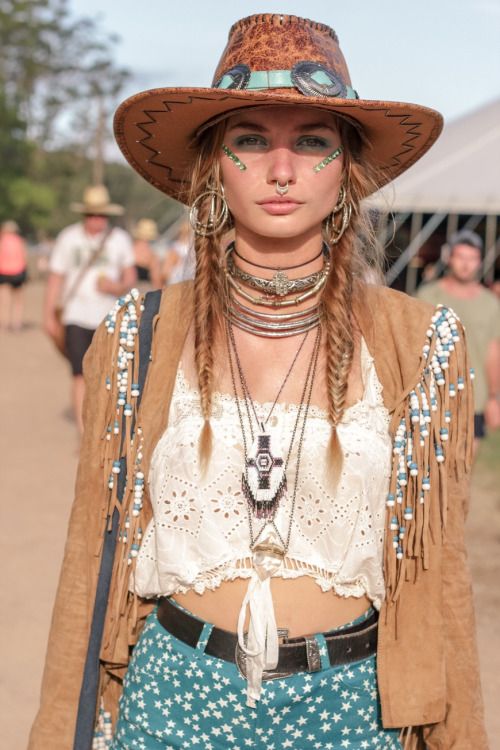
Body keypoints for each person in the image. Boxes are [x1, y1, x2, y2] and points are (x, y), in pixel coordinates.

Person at [30, 14, 487, 750]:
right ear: (214, 164)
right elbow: (89, 563)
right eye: (250, 139)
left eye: (312, 142)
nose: (282, 169)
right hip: (170, 705)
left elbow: (441, 581)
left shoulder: (419, 342)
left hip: (351, 711)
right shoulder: (137, 334)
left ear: (346, 170)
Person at [43, 185, 136, 434]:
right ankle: (85, 435)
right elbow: (55, 278)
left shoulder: (120, 240)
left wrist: (115, 286)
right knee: (79, 375)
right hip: (75, 315)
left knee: (109, 375)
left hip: (110, 316)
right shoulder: (68, 237)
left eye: (102, 215)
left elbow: (130, 278)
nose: (98, 220)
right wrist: (49, 315)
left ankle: (106, 428)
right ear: (85, 215)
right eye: (93, 215)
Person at [417, 229, 500, 444]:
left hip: (475, 400)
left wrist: (493, 398)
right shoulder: (427, 296)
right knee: (430, 472)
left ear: (479, 262)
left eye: (472, 258)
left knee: (464, 472)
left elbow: (493, 352)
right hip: (432, 399)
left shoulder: (491, 304)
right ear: (450, 258)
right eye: (461, 257)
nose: (466, 264)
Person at [0, 220, 28, 331]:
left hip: (3, 272)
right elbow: (24, 257)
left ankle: (4, 323)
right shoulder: (20, 241)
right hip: (18, 272)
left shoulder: (2, 241)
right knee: (18, 300)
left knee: (4, 300)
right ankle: (17, 323)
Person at [161, 217, 194, 285]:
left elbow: (165, 272)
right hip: (190, 285)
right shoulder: (194, 249)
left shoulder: (175, 249)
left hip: (176, 285)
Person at [132, 218, 163, 289]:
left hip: (125, 293)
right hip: (142, 293)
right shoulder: (151, 255)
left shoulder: (128, 249)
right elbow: (156, 280)